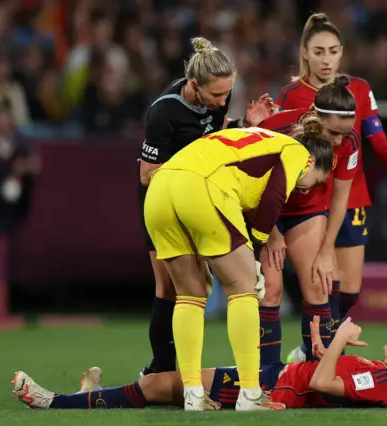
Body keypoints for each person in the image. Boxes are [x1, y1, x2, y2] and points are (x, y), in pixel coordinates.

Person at [144, 121, 334, 411]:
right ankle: (250, 394)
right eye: (317, 181)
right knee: (244, 288)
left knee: (190, 294)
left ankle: (193, 394)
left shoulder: (260, 141)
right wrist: (255, 252)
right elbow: (273, 198)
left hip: (160, 188)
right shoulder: (297, 151)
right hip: (200, 186)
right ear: (311, 161)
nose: (309, 190)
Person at [138, 36, 274, 377]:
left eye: (228, 93)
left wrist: (247, 126)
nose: (223, 100)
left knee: (199, 286)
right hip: (163, 204)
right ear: (194, 85)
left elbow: (218, 138)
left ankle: (182, 373)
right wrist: (190, 163)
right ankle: (161, 369)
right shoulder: (163, 112)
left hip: (200, 200)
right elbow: (146, 175)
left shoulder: (218, 103)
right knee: (169, 287)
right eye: (216, 94)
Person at [275, 14, 387, 362]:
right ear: (305, 53)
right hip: (313, 198)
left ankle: (317, 346)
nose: (326, 59)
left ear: (341, 53)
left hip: (351, 195)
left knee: (349, 288)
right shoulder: (291, 94)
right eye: (318, 51)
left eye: (333, 51)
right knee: (322, 278)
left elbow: (374, 134)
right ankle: (317, 352)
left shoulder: (359, 89)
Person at [12, 316, 387, 410]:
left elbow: (321, 381)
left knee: (159, 386)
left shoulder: (381, 383)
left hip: (268, 390)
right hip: (275, 381)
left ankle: (54, 403)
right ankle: (83, 394)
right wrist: (326, 345)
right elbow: (328, 374)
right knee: (162, 384)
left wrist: (339, 339)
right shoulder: (384, 380)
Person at [257, 76, 359, 362]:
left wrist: (327, 252)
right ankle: (266, 376)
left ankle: (317, 371)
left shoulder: (349, 141)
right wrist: (273, 234)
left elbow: (340, 200)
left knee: (317, 285)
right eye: (333, 132)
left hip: (308, 212)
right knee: (271, 291)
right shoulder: (276, 129)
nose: (339, 140)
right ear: (316, 117)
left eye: (345, 133)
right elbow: (254, 190)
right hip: (265, 211)